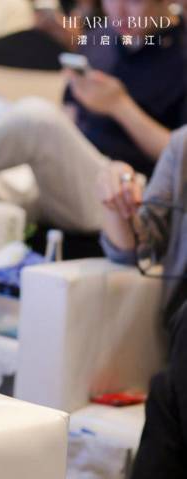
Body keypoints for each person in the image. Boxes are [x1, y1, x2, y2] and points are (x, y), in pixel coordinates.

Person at [0, 0, 186, 232]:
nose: (120, 11)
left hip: (127, 191)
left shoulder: (180, 55)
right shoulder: (99, 38)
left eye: (134, 2)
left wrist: (121, 107)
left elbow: (181, 156)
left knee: (36, 118)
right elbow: (69, 113)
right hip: (68, 178)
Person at [97, 126, 186, 478]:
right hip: (179, 356)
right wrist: (116, 194)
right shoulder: (182, 147)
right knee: (164, 396)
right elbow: (136, 247)